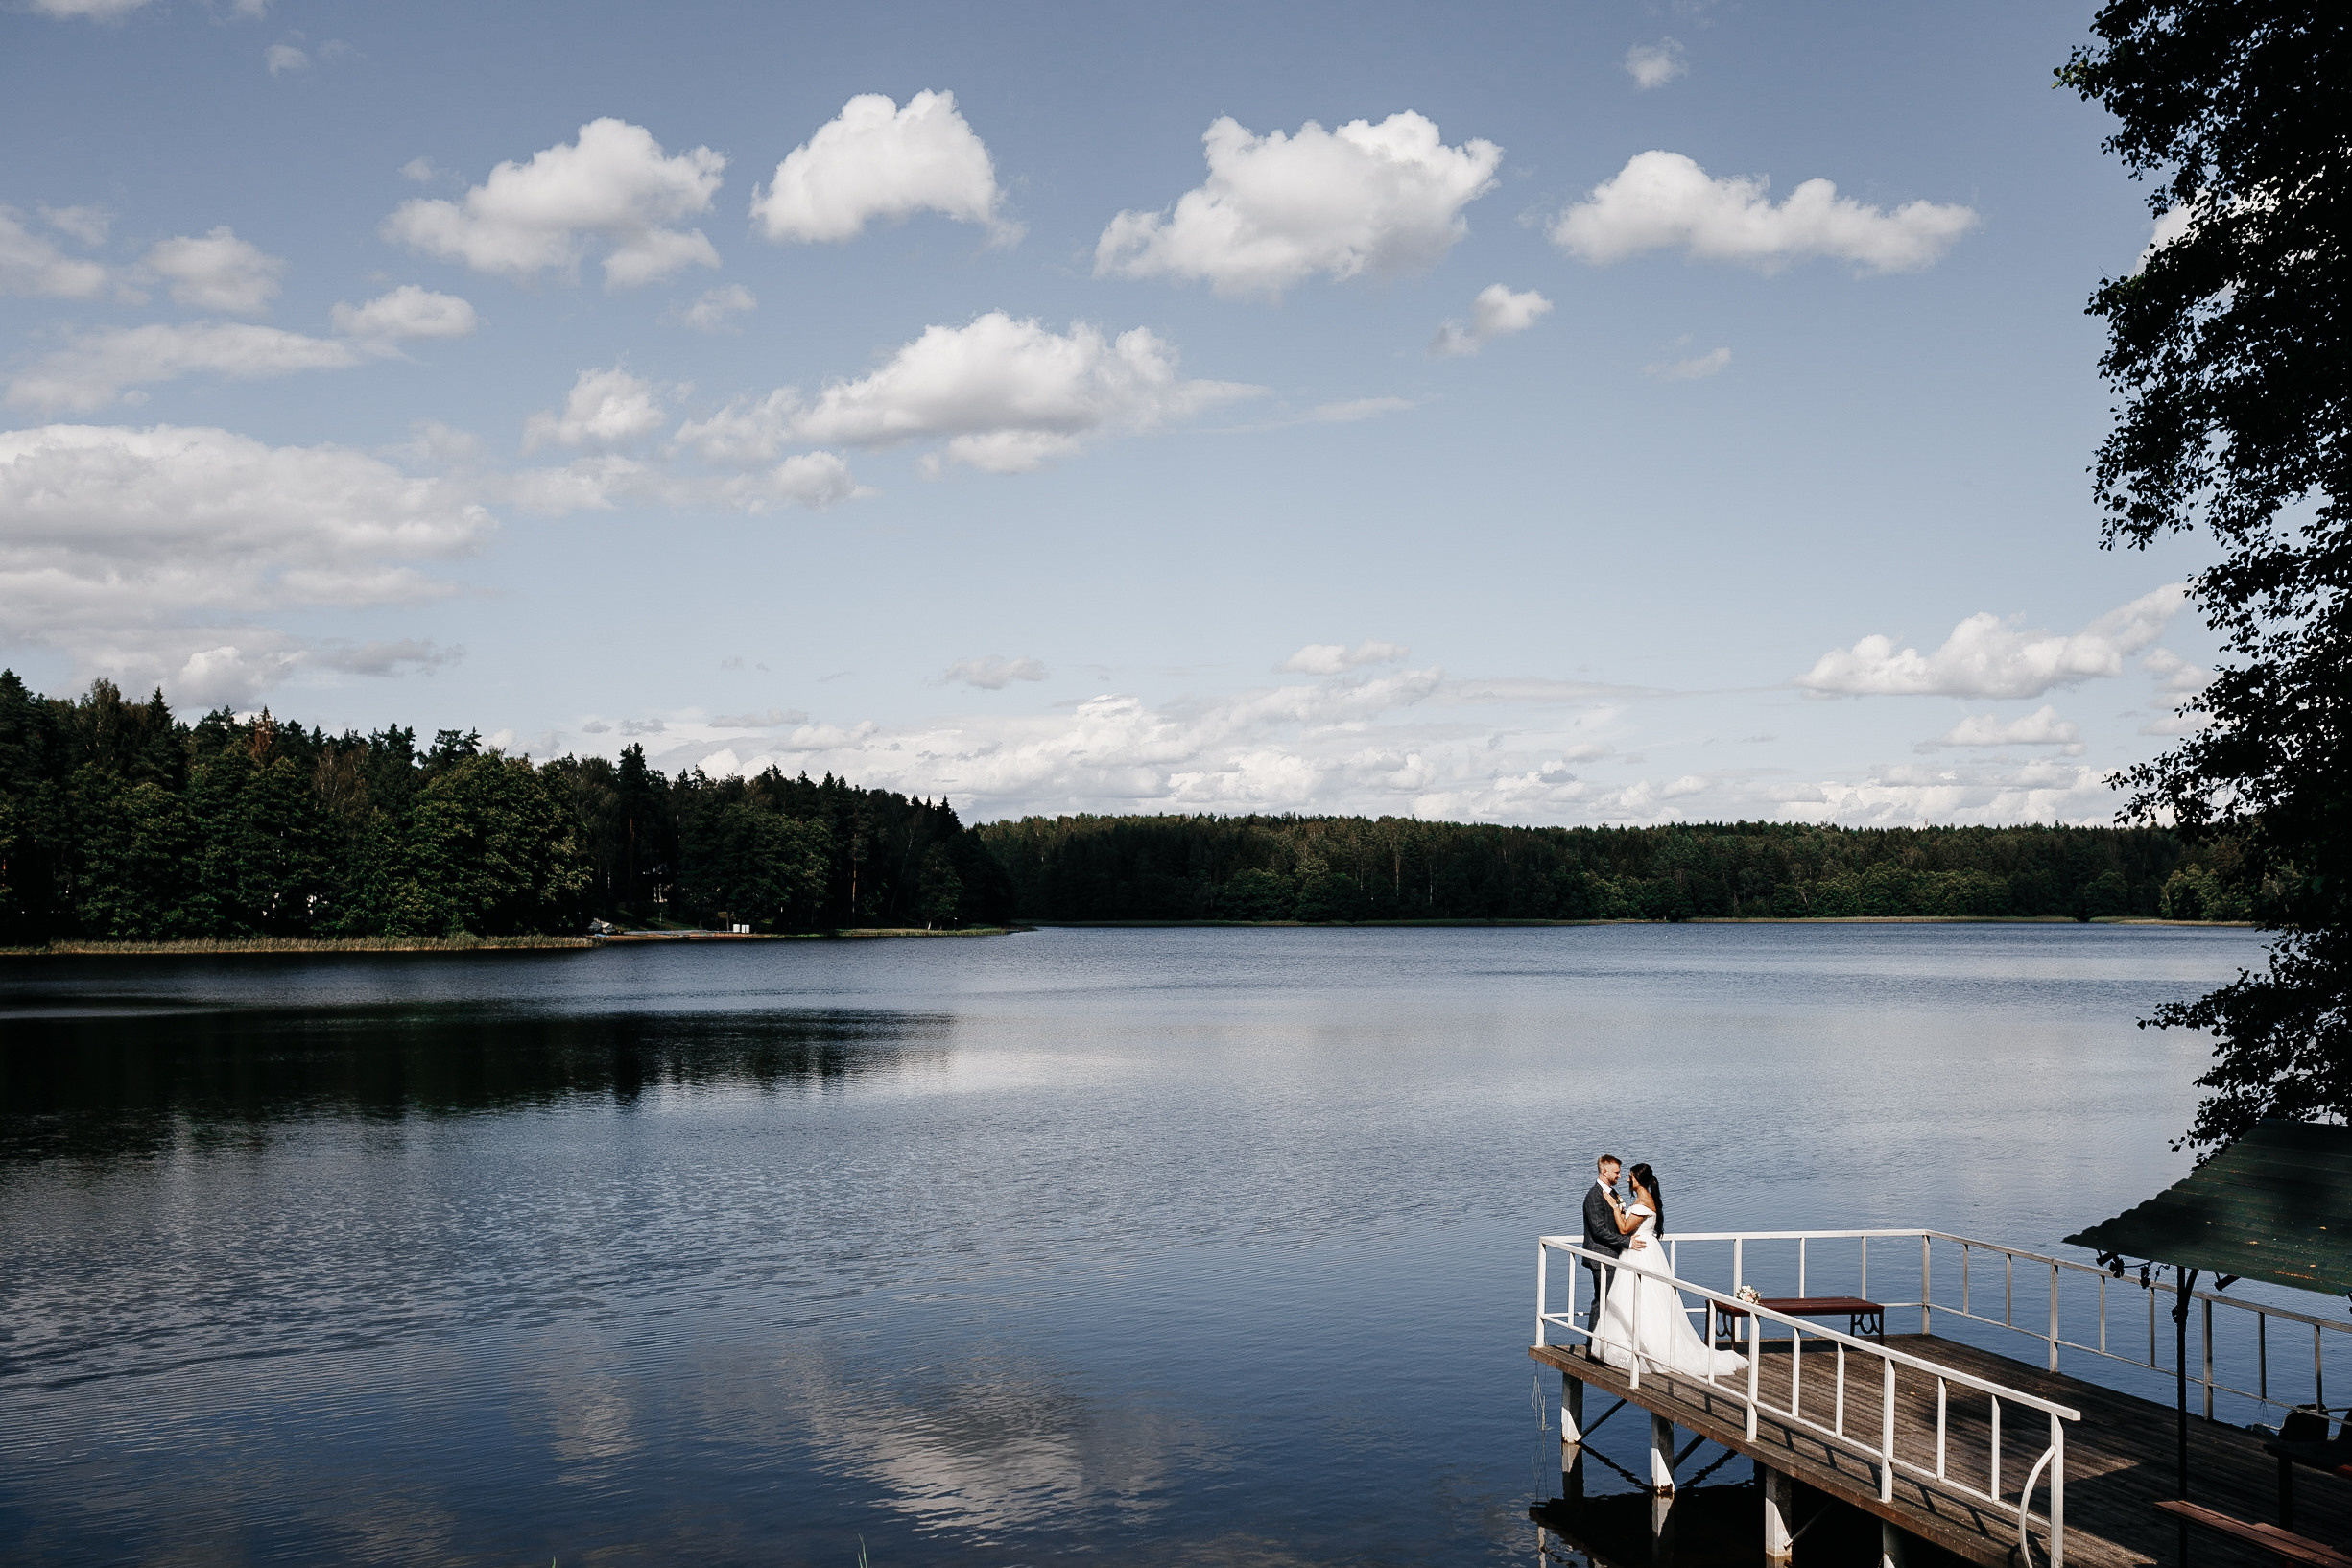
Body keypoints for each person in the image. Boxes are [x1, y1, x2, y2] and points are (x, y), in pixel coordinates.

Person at [1594, 1162, 1746, 1378]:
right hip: (1642, 1250)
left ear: (1638, 1180)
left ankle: (1650, 1348)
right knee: (1636, 1297)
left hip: (1641, 1252)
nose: (1628, 1180)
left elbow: (1624, 1228)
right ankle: (1628, 1342)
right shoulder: (1644, 1200)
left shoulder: (1643, 1202)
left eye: (1630, 1177)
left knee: (1644, 1298)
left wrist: (1614, 1206)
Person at [1581, 1154, 1642, 1353]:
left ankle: (1606, 1344)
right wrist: (1627, 1242)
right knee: (1602, 1301)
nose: (1619, 1175)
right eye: (1616, 1172)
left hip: (1613, 1255)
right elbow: (1598, 1230)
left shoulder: (1613, 1194)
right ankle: (1592, 1346)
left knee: (1611, 1299)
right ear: (1604, 1171)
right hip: (1601, 1256)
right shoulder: (1594, 1196)